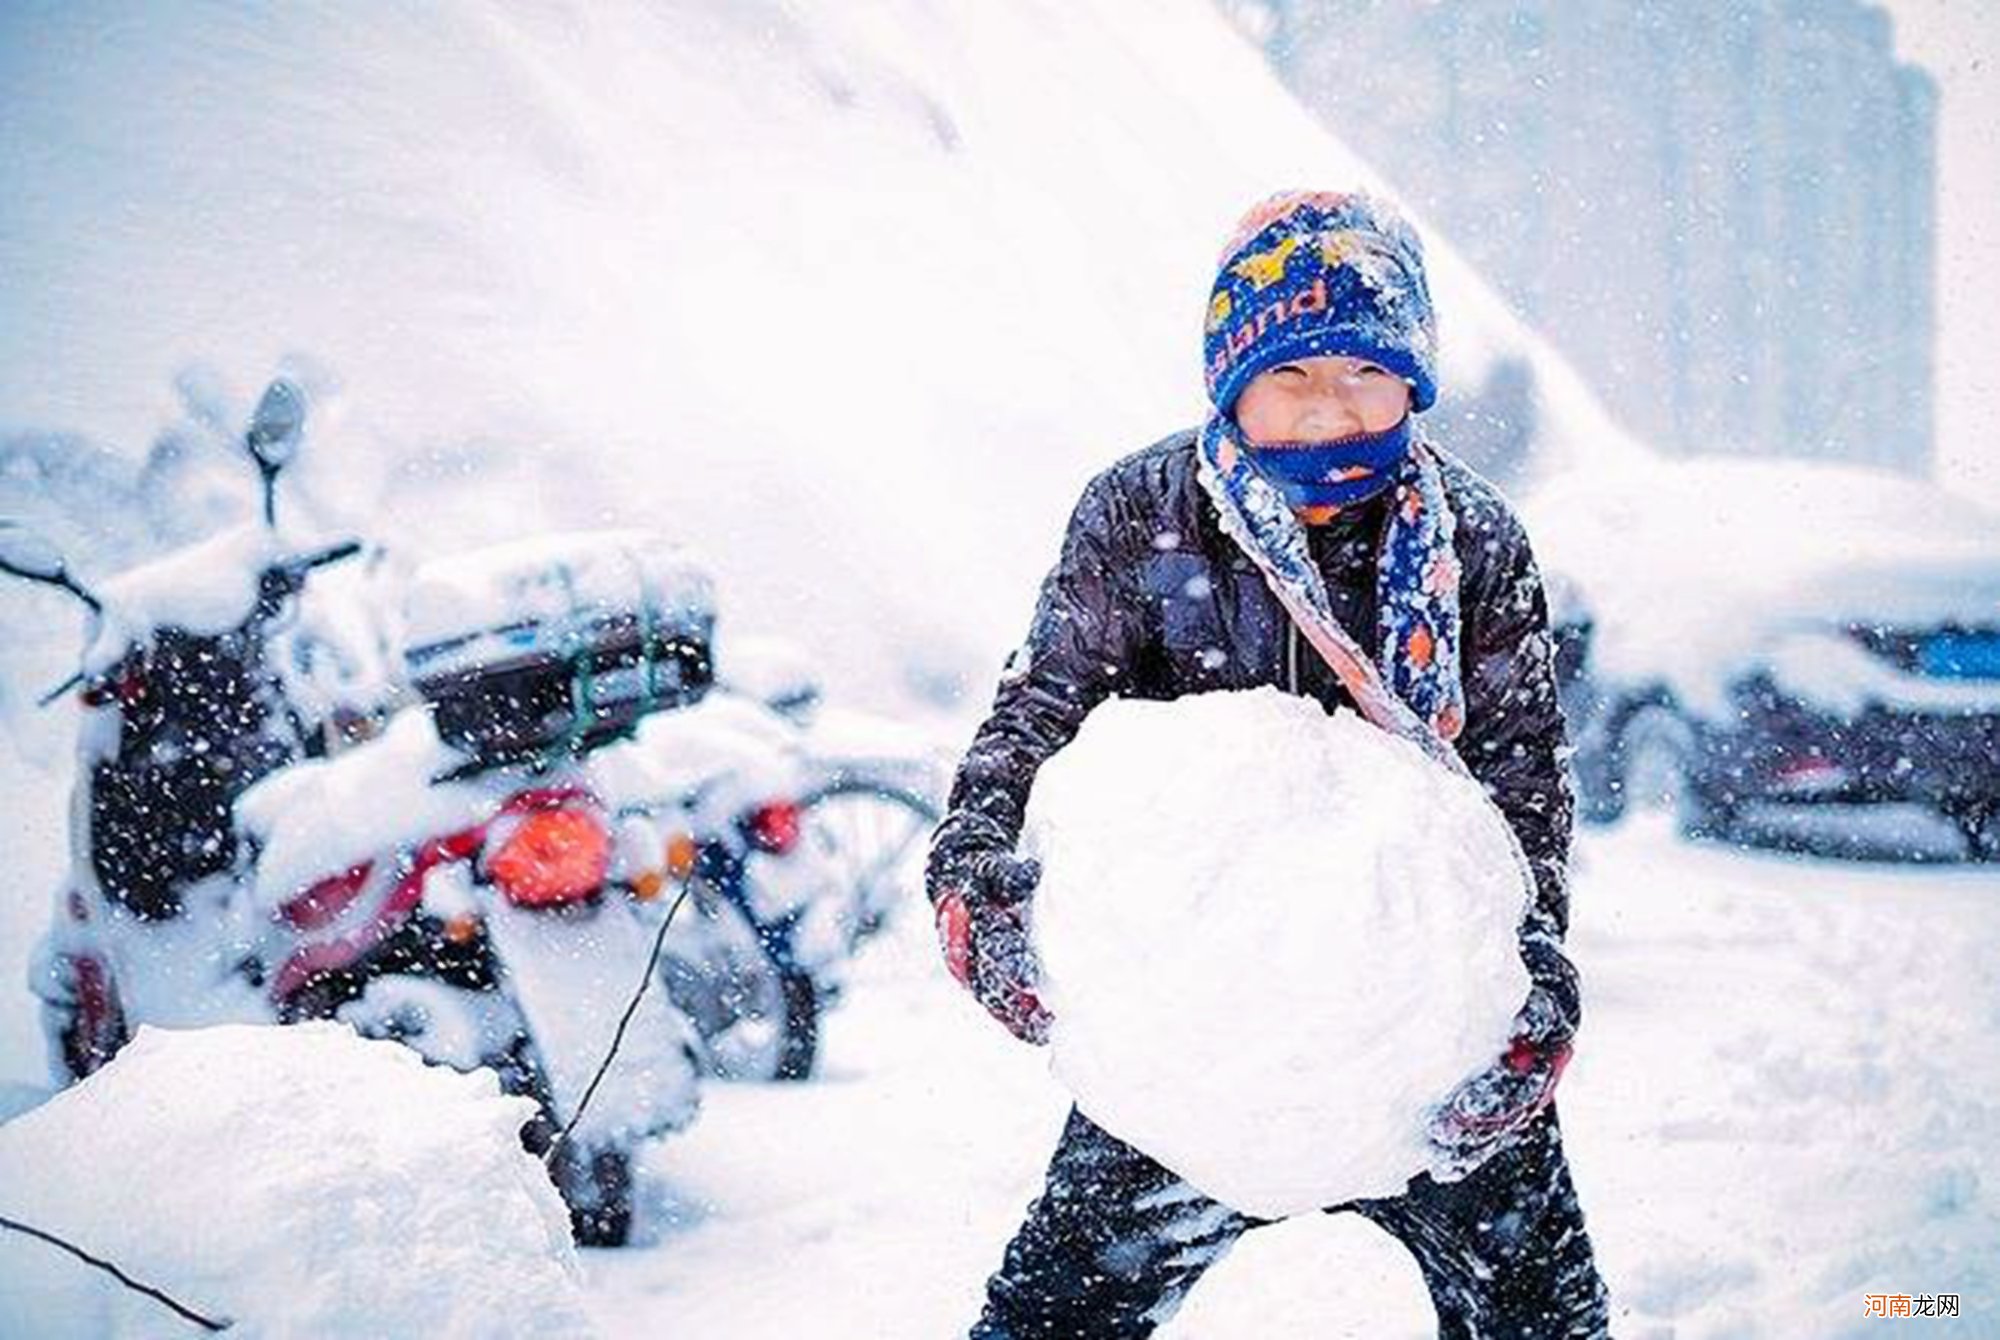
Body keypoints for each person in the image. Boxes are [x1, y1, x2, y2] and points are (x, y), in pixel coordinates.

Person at [925, 190, 1611, 1338]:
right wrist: (975, 874)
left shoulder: (1475, 539)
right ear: (1233, 373)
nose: (1327, 410)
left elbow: (1521, 788)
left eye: (1364, 371)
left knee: (1541, 1318)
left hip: (1425, 1035)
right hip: (1198, 1026)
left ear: (1413, 378)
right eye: (1292, 373)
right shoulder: (1144, 512)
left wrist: (1531, 978)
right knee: (1052, 1317)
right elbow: (1035, 713)